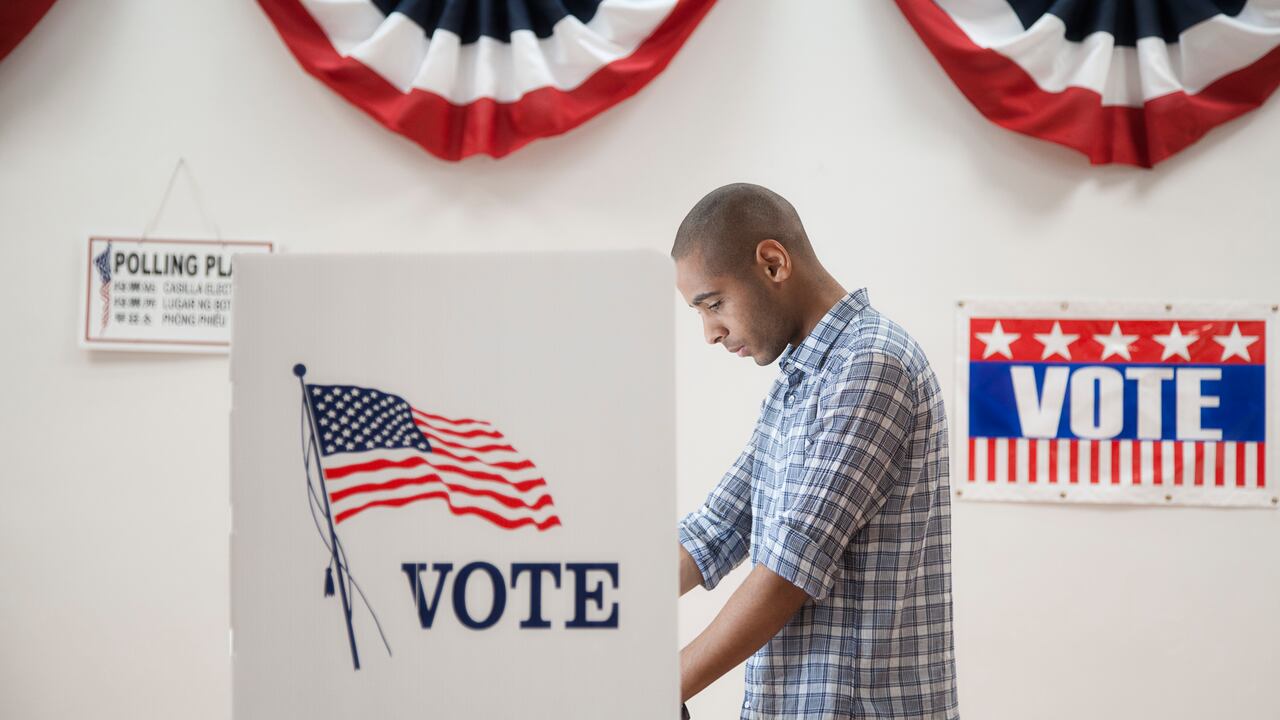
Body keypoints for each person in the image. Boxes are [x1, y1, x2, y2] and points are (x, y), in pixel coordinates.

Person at [673, 183, 958, 719]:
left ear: (773, 263)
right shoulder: (799, 382)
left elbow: (788, 572)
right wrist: (593, 603)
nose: (710, 332)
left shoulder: (872, 364)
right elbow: (716, 530)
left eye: (713, 304)